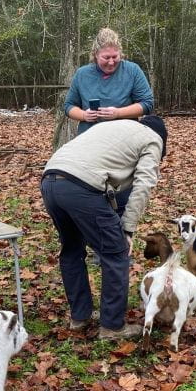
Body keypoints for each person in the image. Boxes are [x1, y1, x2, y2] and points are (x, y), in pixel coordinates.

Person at [40, 116, 168, 340]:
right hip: (81, 188)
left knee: (71, 250)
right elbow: (143, 185)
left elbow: (105, 177)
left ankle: (80, 317)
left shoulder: (114, 127)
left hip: (50, 180)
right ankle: (112, 327)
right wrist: (127, 230)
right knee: (117, 253)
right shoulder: (153, 139)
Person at [64, 28, 155, 136]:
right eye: (106, 57)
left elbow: (147, 103)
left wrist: (118, 113)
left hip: (125, 137)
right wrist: (84, 115)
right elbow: (69, 106)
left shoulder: (132, 70)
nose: (111, 62)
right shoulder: (82, 74)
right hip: (90, 138)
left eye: (115, 57)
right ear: (96, 54)